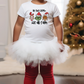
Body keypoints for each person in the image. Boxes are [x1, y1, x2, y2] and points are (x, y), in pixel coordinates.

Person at [7, 0, 70, 84]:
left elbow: (58, 24)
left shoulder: (52, 6)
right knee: (30, 74)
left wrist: (59, 40)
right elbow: (18, 24)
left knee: (47, 73)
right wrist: (15, 42)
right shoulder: (25, 6)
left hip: (48, 46)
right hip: (29, 45)